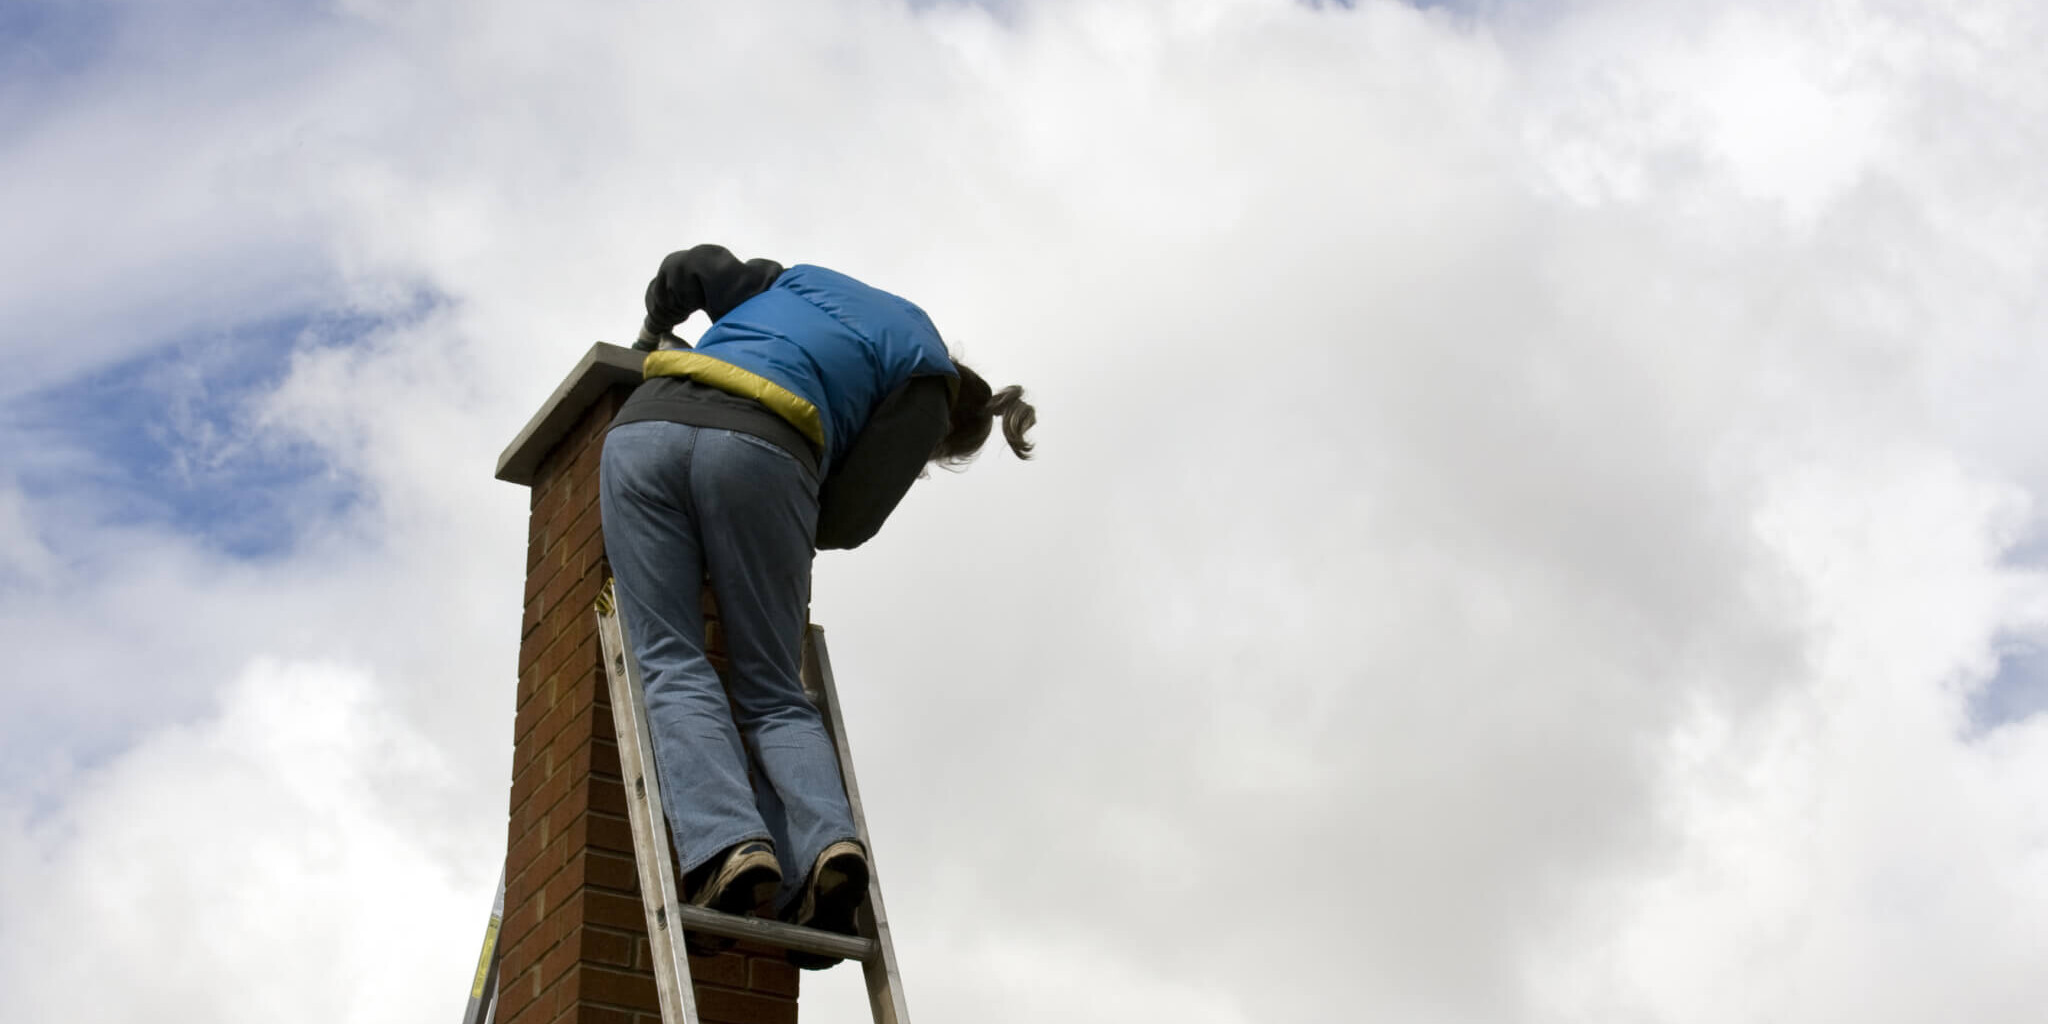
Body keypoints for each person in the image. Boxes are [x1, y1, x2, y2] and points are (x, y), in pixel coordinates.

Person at [598, 245, 1035, 968]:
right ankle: (825, 847)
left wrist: (652, 336)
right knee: (771, 689)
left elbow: (692, 267)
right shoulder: (924, 386)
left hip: (648, 425)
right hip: (766, 451)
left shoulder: (802, 283)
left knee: (670, 661)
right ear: (948, 436)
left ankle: (727, 848)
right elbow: (848, 521)